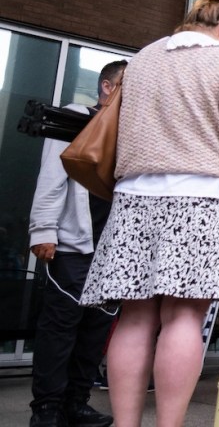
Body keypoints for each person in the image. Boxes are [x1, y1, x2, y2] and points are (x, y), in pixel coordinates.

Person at [79, 0, 219, 427]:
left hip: (134, 197)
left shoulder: (142, 58)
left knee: (134, 316)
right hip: (201, 197)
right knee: (184, 316)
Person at [28, 60, 127, 427]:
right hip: (72, 245)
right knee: (60, 328)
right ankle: (47, 409)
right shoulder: (73, 118)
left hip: (110, 250)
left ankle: (76, 402)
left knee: (94, 330)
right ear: (106, 87)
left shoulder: (128, 131)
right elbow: (53, 174)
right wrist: (42, 230)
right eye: (124, 86)